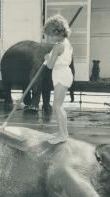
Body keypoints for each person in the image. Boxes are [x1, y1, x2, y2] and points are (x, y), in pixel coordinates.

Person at [43, 14, 73, 144]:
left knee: (57, 106)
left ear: (56, 34)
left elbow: (50, 65)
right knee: (58, 106)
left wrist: (46, 58)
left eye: (49, 35)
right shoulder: (65, 43)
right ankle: (62, 131)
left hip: (61, 75)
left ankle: (63, 135)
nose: (47, 38)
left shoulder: (57, 47)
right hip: (64, 73)